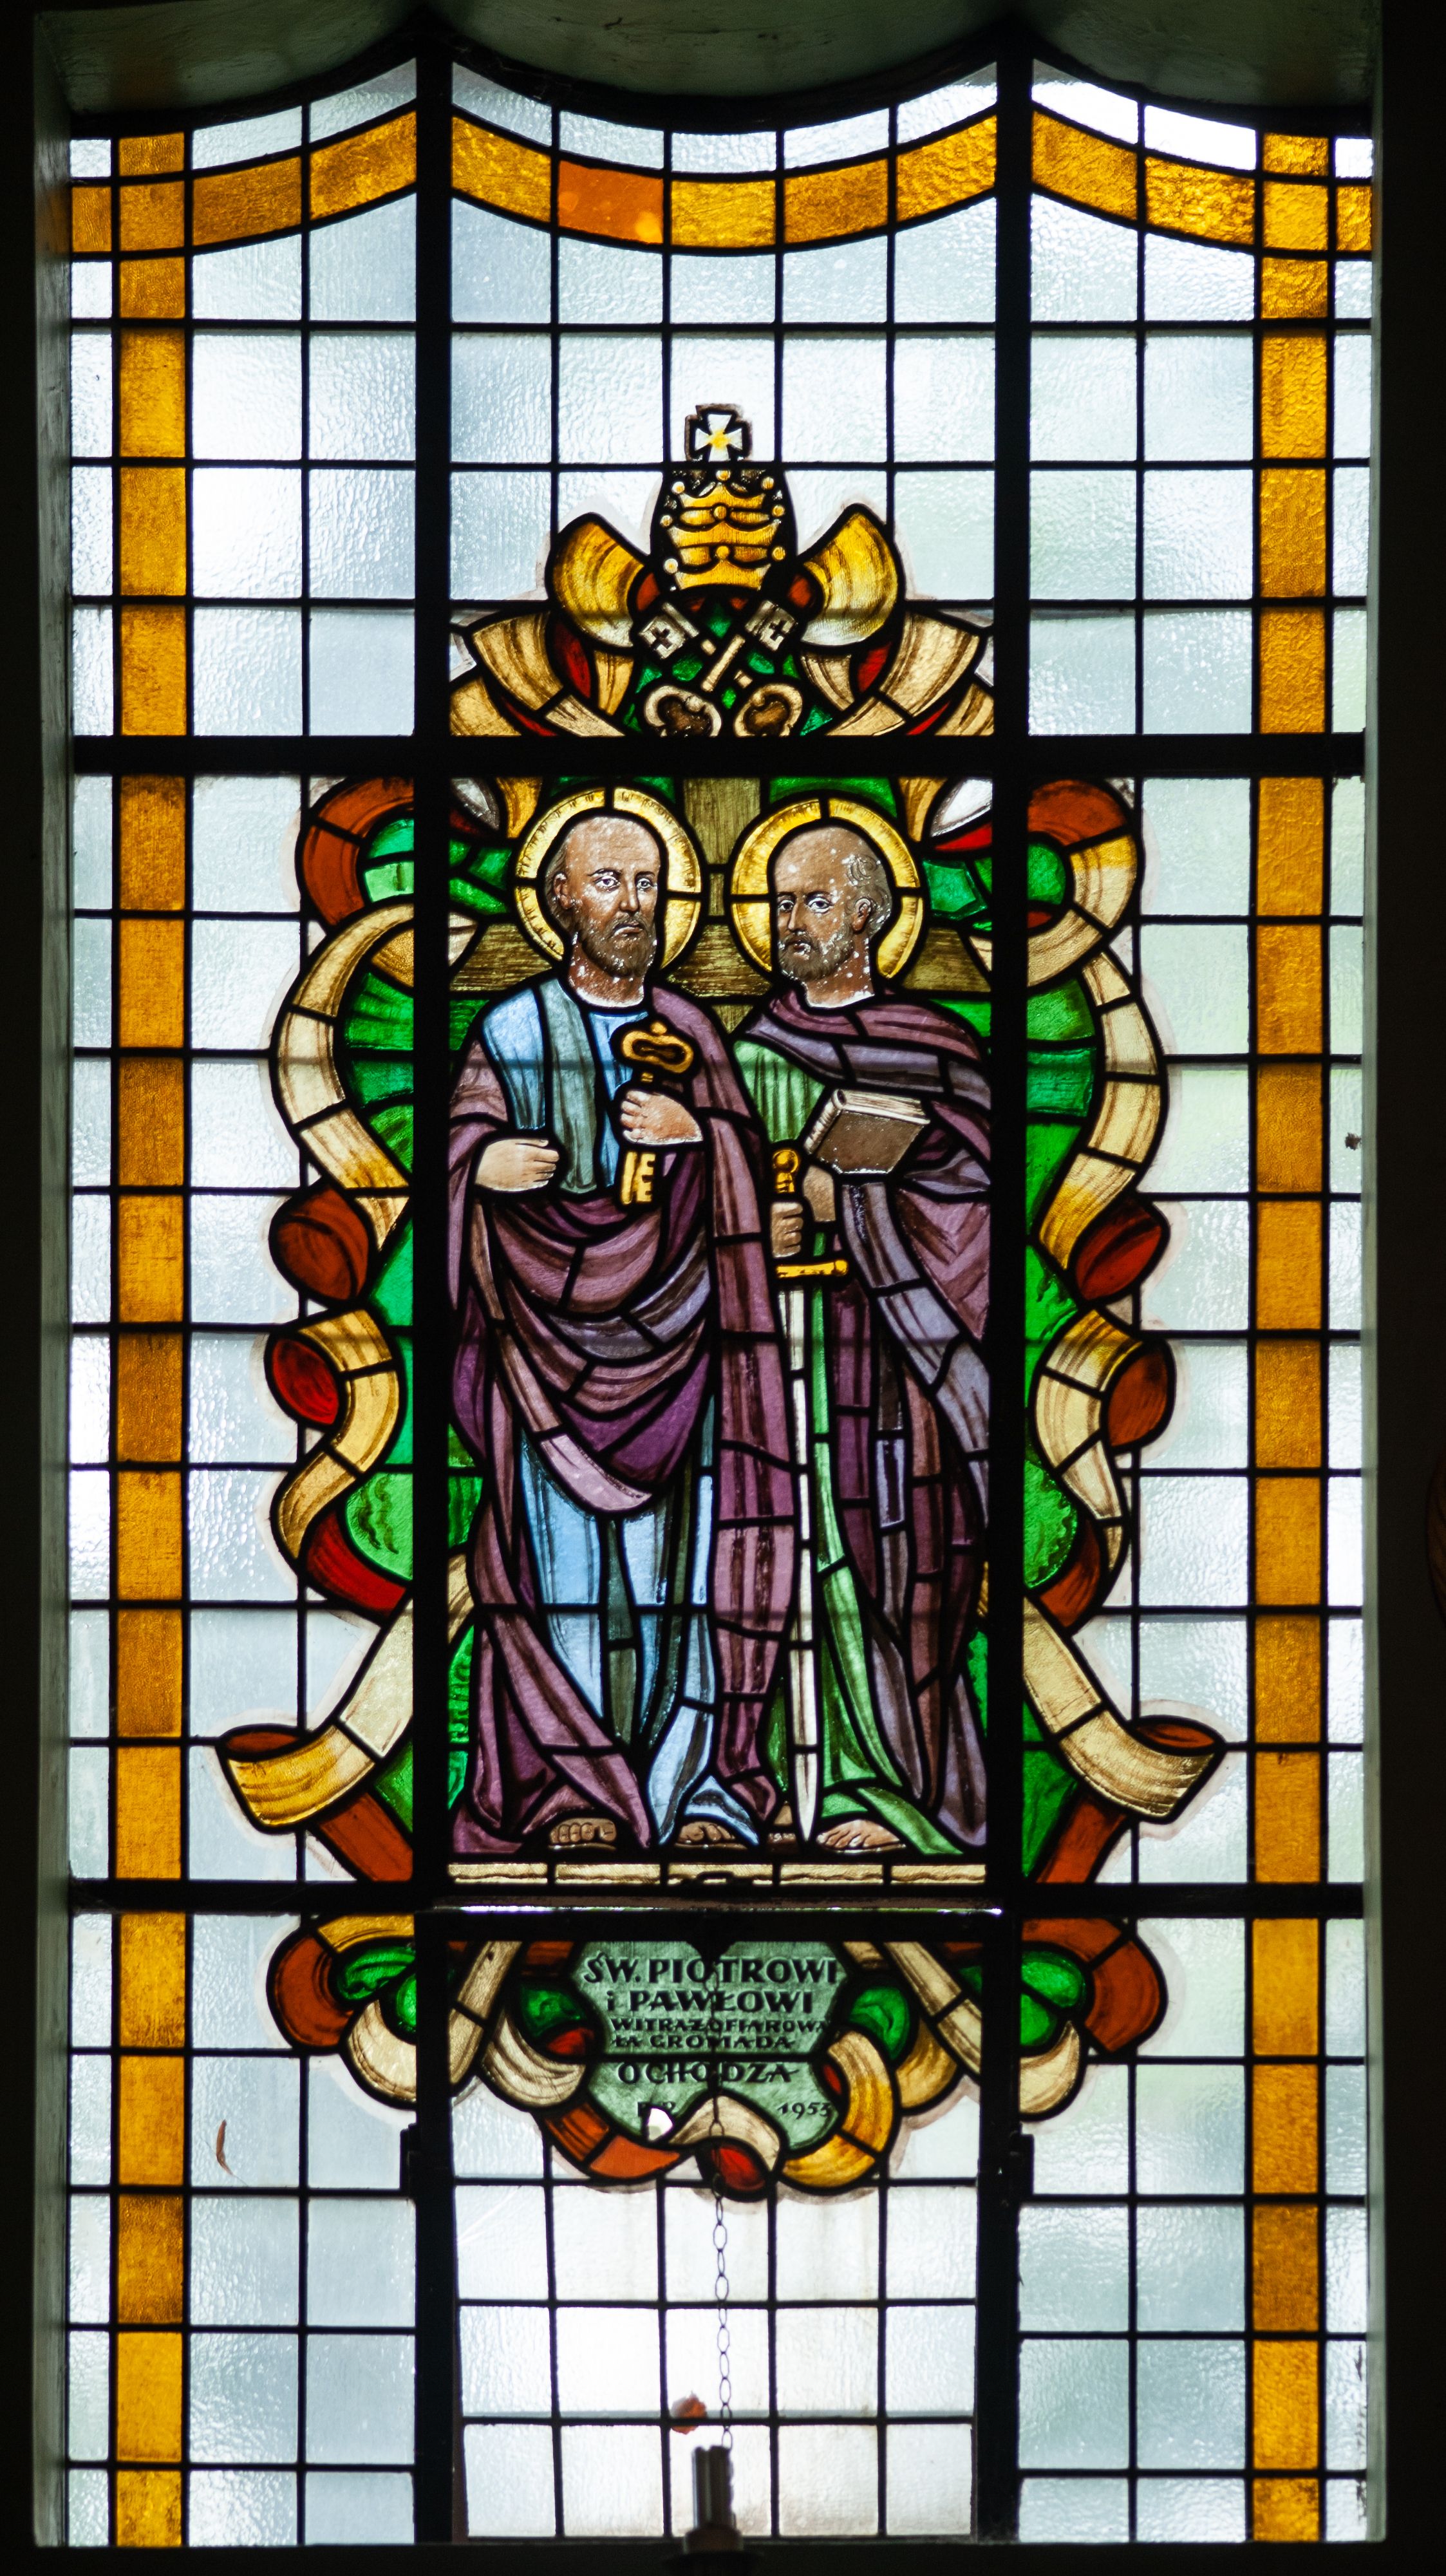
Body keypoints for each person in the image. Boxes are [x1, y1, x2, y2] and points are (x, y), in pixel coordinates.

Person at [448, 805, 794, 1856]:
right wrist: (479, 1168)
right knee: (554, 1581)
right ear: (558, 899)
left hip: (685, 1355)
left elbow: (747, 1166)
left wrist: (702, 1134)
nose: (633, 906)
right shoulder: (510, 1032)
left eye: (648, 884)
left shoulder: (691, 1032)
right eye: (608, 883)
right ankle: (568, 1793)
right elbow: (451, 1160)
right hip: (539, 1354)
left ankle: (691, 1791)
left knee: (675, 1587)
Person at [735, 820, 990, 1854]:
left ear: (873, 913)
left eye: (815, 900)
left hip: (898, 1363)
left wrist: (859, 1201)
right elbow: (704, 1194)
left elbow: (977, 1204)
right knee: (784, 1555)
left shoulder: (938, 1046)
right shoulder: (748, 1049)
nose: (792, 922)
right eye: (780, 903)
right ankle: (787, 1778)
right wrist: (755, 1225)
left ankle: (894, 1785)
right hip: (773, 1363)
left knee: (900, 1563)